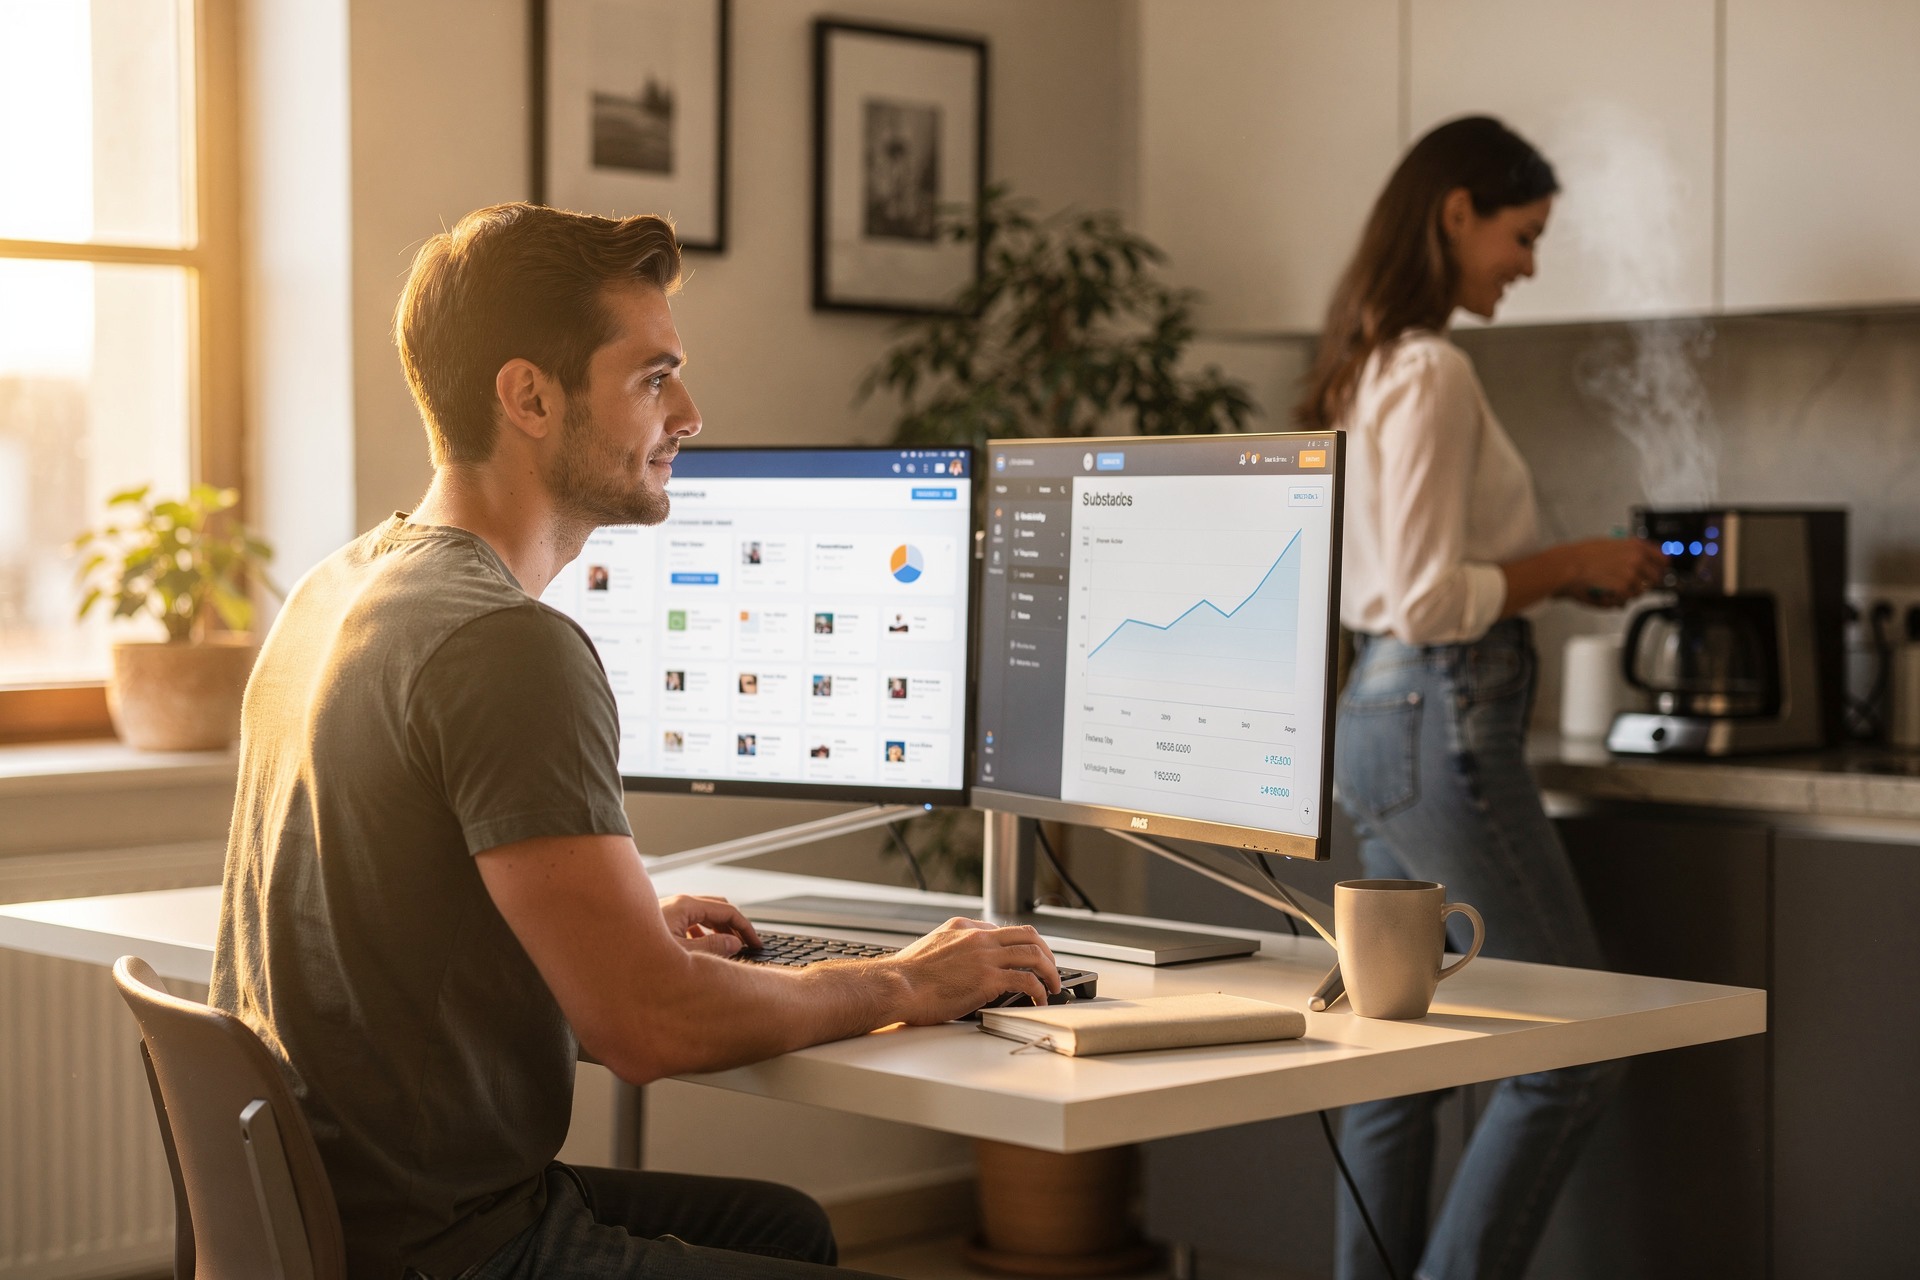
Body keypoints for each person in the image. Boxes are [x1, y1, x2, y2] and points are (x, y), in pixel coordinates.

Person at [209, 202, 1063, 1280]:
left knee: (787, 1227)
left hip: (337, 1215)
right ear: (528, 396)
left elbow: (384, 922)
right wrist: (903, 980)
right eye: (654, 378)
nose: (692, 413)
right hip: (446, 1245)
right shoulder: (504, 644)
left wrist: (614, 931)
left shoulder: (337, 589)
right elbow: (651, 1028)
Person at [1296, 117, 1666, 1280]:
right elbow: (1425, 596)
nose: (1530, 262)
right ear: (1456, 212)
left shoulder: (1371, 362)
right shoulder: (1433, 368)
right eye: (1524, 233)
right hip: (1438, 711)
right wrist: (1572, 563)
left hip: (1382, 715)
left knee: (1394, 1050)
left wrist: (1557, 573)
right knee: (1580, 1043)